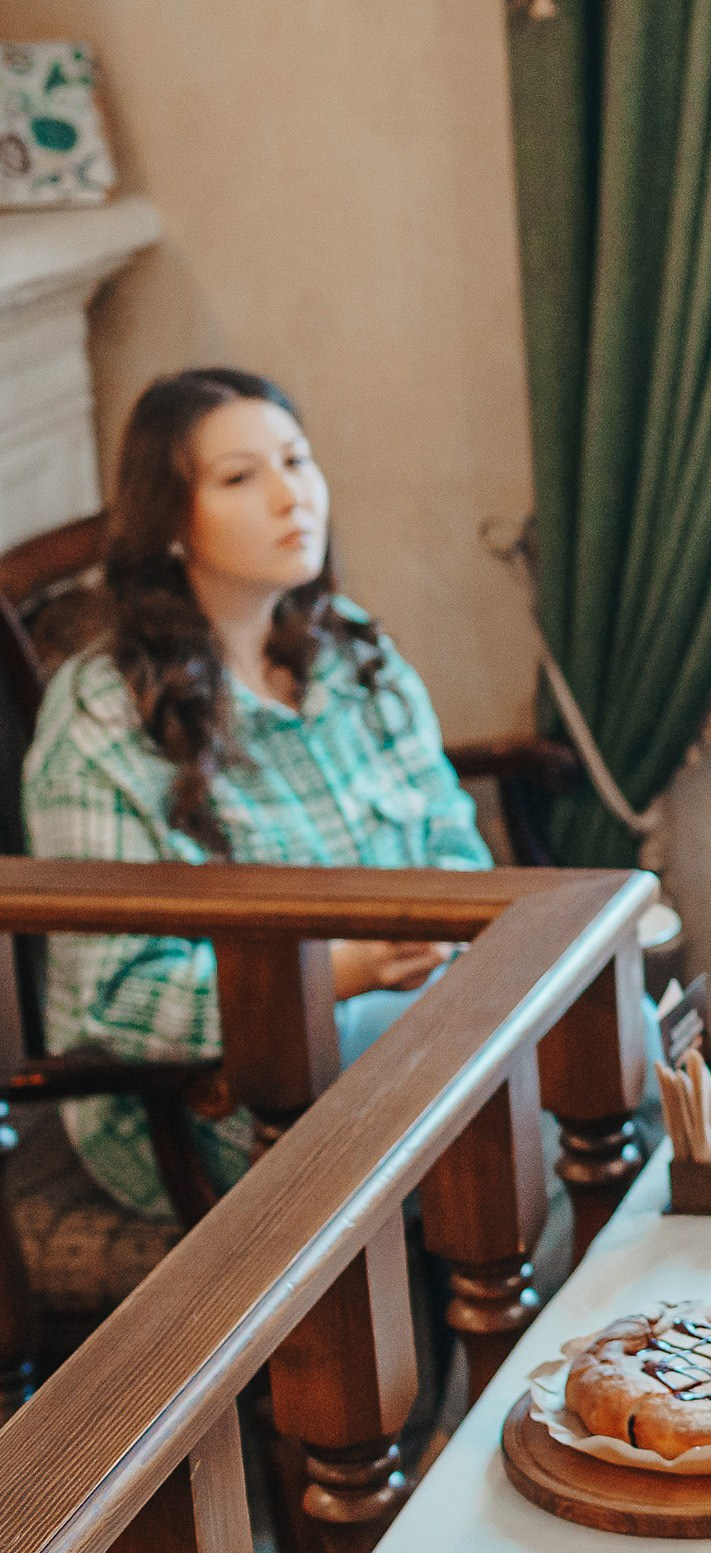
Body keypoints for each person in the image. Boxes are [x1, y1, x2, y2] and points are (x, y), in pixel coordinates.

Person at [25, 368, 488, 1218]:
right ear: (169, 521)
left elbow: (455, 841)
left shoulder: (351, 648)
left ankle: (587, 1343)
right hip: (206, 1098)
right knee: (504, 1100)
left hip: (413, 1015)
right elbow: (119, 994)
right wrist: (343, 971)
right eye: (241, 477)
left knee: (615, 1037)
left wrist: (449, 943)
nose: (291, 497)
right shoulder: (101, 715)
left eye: (296, 460)